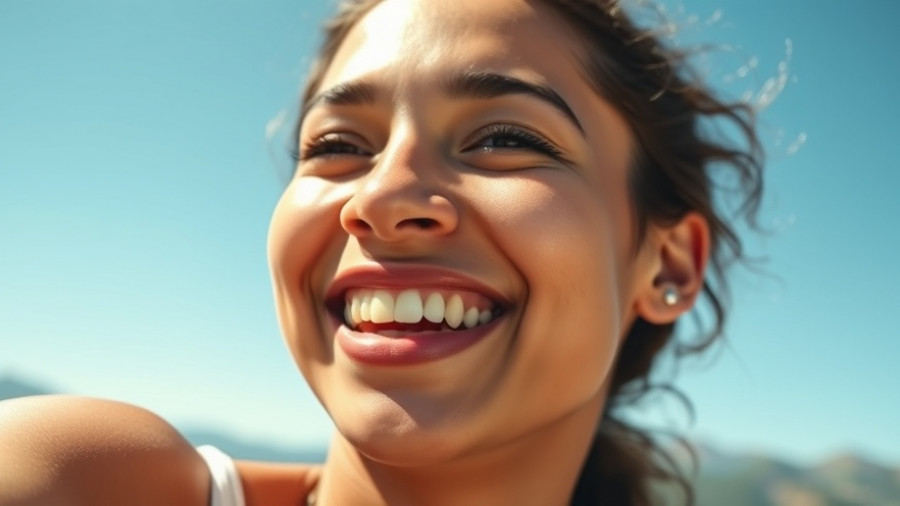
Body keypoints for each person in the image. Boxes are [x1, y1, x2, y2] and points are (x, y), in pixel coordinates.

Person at [0, 0, 764, 504]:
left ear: (669, 264)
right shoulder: (86, 480)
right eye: (337, 145)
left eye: (505, 138)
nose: (381, 198)